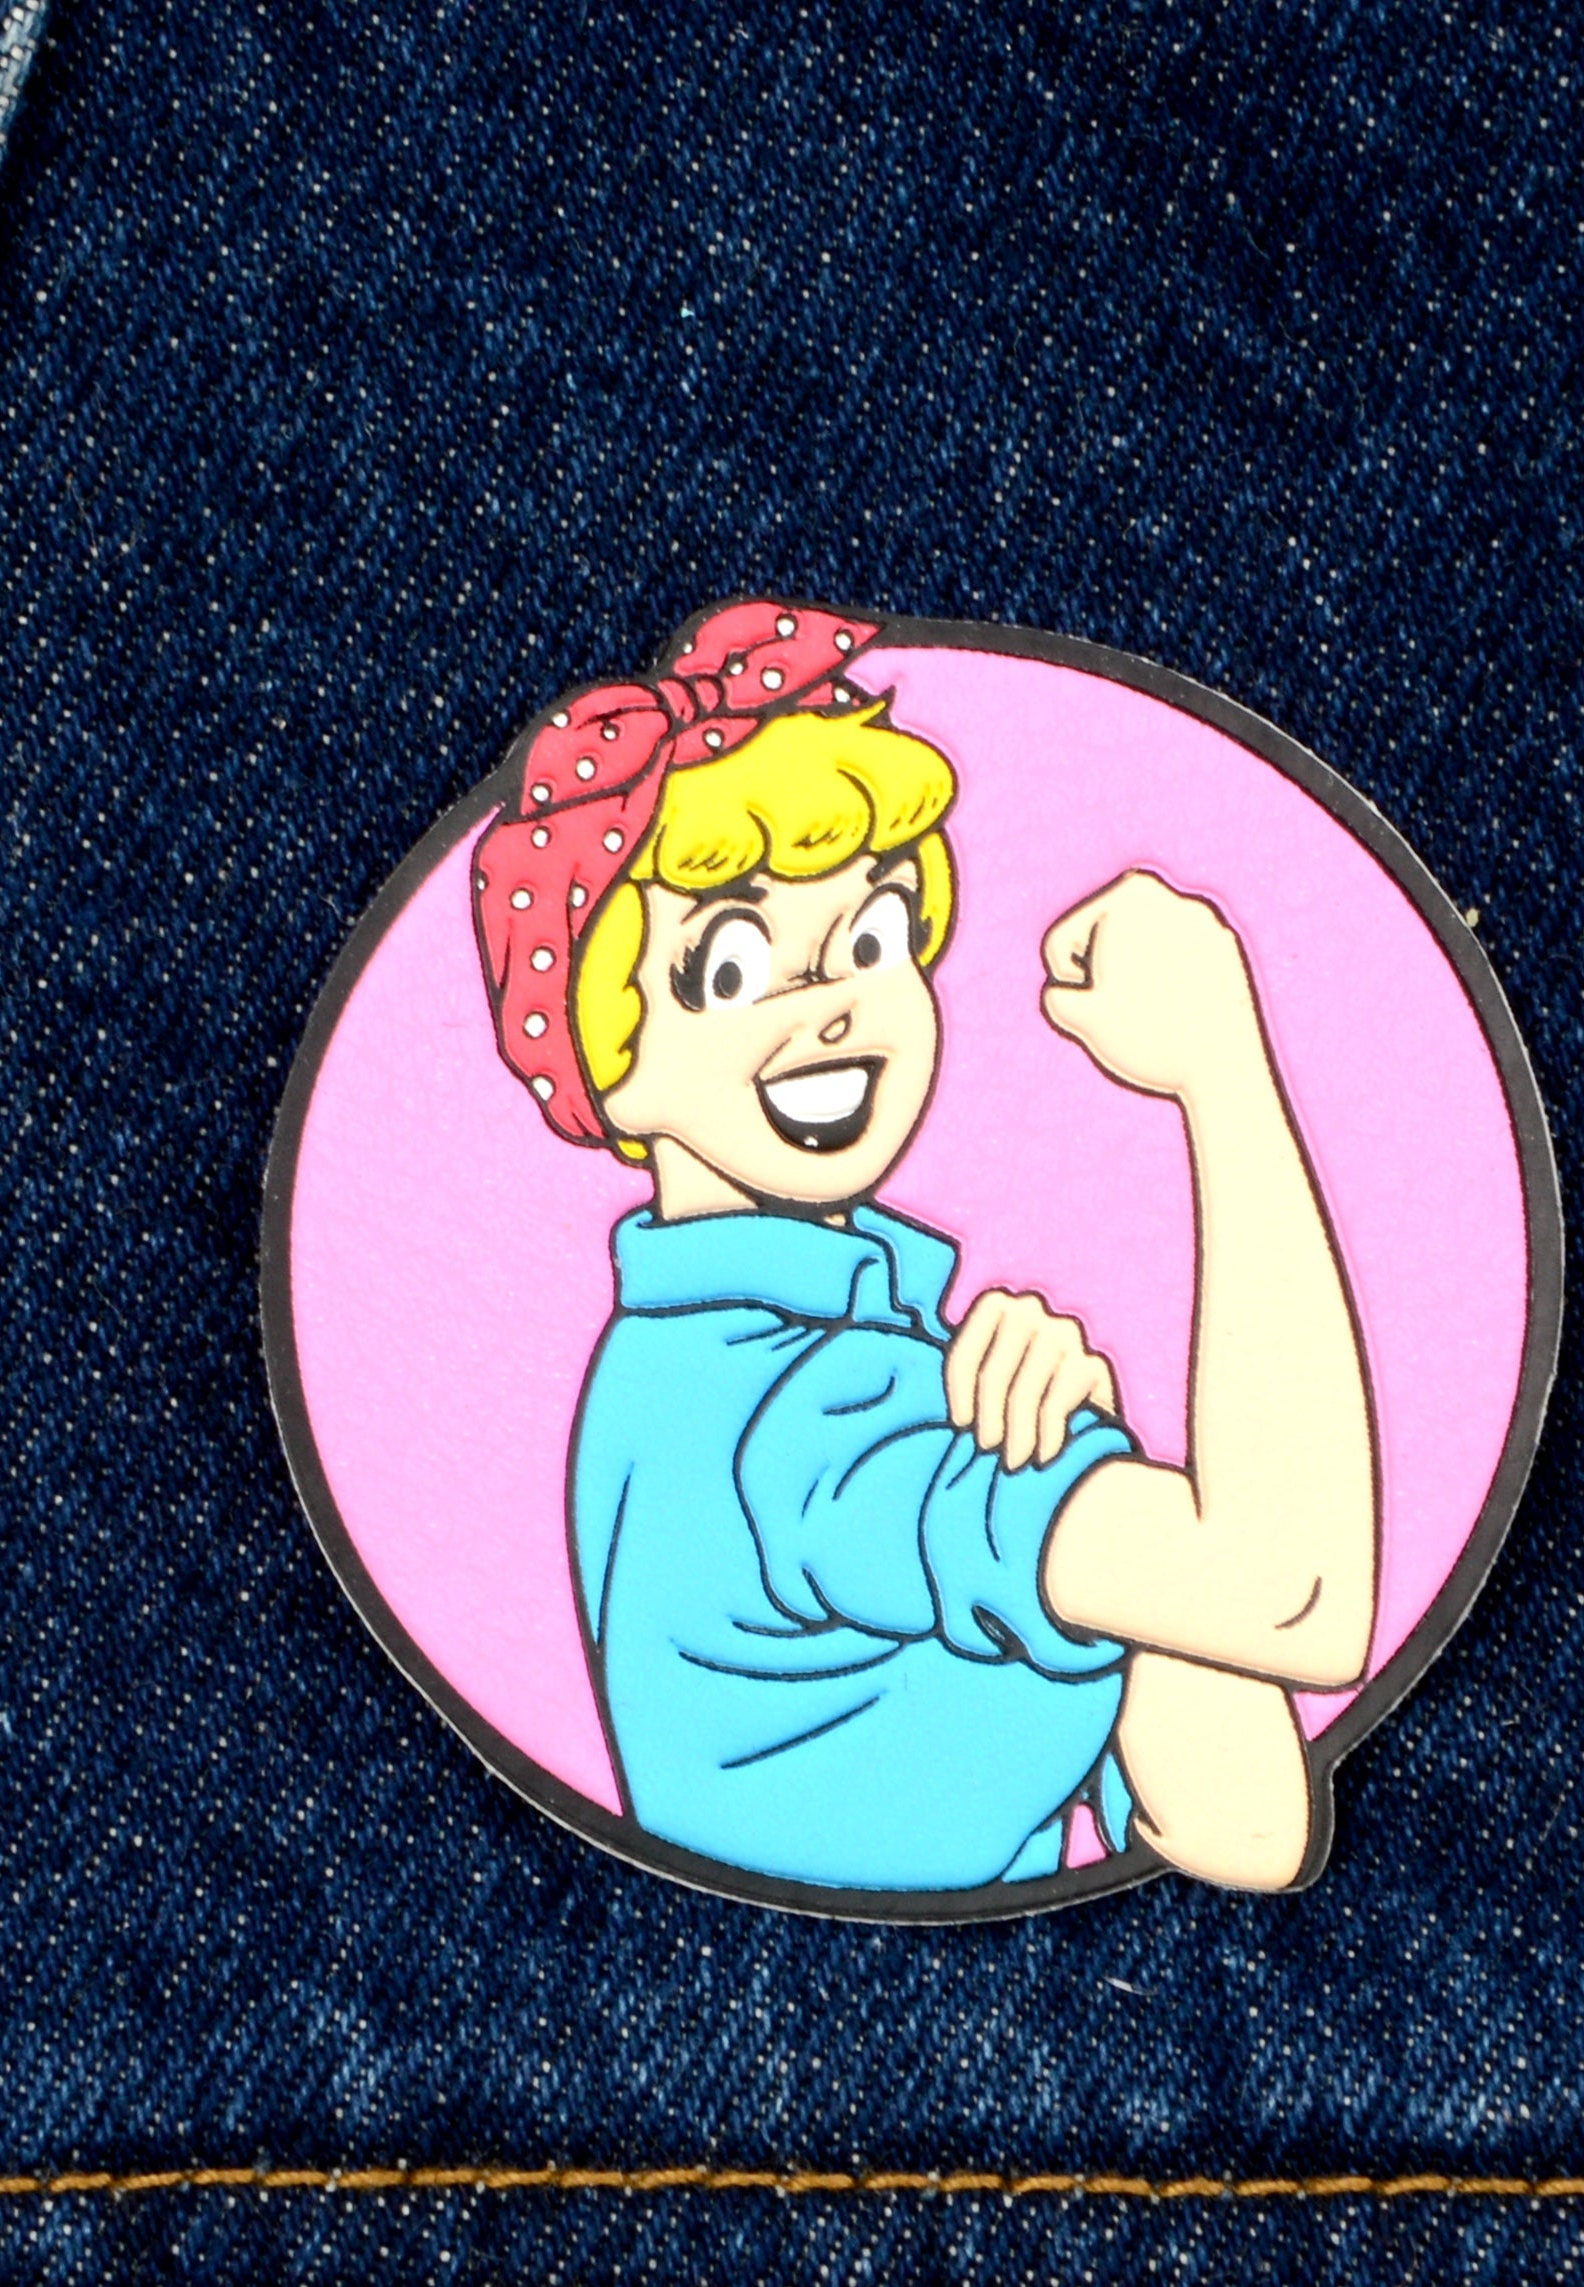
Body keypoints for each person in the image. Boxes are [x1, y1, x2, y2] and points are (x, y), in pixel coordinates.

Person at [473, 601, 1375, 1896]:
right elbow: (1296, 1602)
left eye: (874, 935)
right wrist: (1224, 1072)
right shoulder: (801, 1406)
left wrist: (1086, 1449)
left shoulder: (791, 1357)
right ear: (608, 1066)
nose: (834, 1005)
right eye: (729, 968)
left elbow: (1246, 1826)